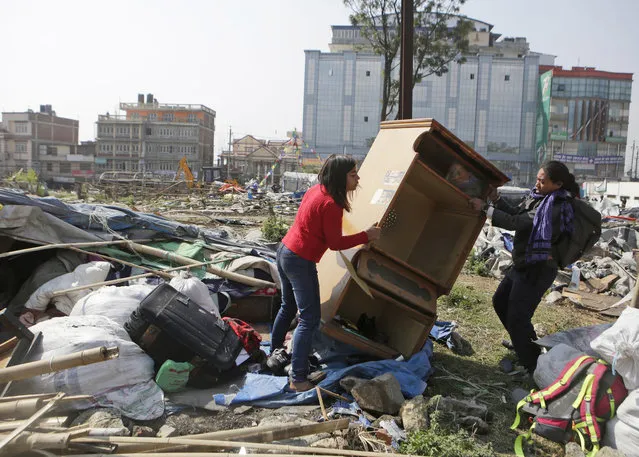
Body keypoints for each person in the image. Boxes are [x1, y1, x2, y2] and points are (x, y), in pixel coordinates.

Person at [268, 155, 381, 392]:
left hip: (285, 250)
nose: (358, 178)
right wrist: (366, 236)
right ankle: (298, 379)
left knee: (288, 307)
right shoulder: (331, 204)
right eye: (353, 174)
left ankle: (275, 356)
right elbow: (335, 242)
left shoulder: (317, 190)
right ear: (340, 177)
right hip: (299, 259)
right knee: (308, 318)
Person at [469, 160, 580, 374]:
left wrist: (485, 208)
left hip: (537, 270)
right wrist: (497, 200)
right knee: (500, 301)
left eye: (542, 181)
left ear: (557, 184)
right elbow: (515, 214)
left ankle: (533, 366)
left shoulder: (556, 206)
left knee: (518, 316)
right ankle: (523, 345)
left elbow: (516, 223)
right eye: (537, 179)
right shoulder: (538, 198)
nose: (537, 183)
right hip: (523, 263)